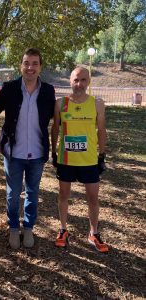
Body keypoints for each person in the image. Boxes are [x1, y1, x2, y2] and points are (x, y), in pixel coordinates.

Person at [0, 48, 56, 249]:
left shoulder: (48, 90)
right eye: (27, 63)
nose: (30, 67)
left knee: (32, 193)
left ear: (40, 67)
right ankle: (13, 227)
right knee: (12, 194)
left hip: (37, 153)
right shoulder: (9, 88)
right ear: (21, 66)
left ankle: (28, 228)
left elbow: (56, 118)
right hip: (13, 153)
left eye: (35, 63)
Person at [51, 66, 109, 253]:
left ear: (88, 81)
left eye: (83, 80)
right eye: (76, 80)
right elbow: (54, 129)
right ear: (70, 81)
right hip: (66, 160)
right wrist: (53, 153)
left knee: (93, 198)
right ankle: (63, 229)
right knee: (63, 196)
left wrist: (102, 155)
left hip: (89, 160)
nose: (79, 84)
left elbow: (101, 130)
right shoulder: (61, 103)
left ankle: (94, 232)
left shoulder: (97, 103)